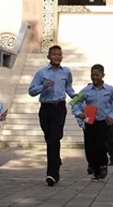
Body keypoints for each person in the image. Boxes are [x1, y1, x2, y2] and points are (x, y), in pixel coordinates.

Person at [28, 45, 75, 187]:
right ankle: (56, 159)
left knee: (54, 138)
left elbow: (68, 87)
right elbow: (31, 91)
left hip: (60, 107)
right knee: (50, 139)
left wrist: (74, 95)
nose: (57, 57)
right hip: (46, 109)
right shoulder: (41, 73)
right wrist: (43, 86)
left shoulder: (66, 72)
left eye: (59, 54)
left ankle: (52, 174)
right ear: (48, 56)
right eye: (54, 54)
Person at [72, 64, 113, 181]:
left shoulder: (110, 90)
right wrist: (79, 113)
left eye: (97, 75)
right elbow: (74, 103)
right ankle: (95, 169)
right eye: (92, 75)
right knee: (90, 148)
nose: (94, 78)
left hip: (104, 121)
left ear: (103, 75)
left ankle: (103, 165)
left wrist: (112, 116)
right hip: (90, 120)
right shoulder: (86, 90)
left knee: (100, 146)